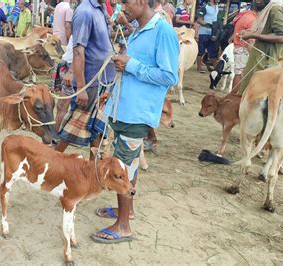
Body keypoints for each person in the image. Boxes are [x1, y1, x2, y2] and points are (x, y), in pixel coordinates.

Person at [92, 0, 179, 243]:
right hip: (124, 108)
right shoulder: (139, 29)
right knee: (129, 165)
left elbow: (169, 75)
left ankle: (123, 226)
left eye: (126, 2)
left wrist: (132, 65)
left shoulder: (163, 31)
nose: (123, 8)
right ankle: (126, 211)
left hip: (136, 114)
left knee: (123, 167)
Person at [54, 0, 115, 160]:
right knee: (74, 126)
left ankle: (92, 169)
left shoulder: (100, 9)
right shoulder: (85, 12)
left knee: (97, 129)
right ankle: (49, 161)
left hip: (103, 80)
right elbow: (78, 50)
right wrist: (81, 87)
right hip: (90, 82)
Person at [238, 0, 283, 95]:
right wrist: (250, 33)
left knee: (252, 100)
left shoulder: (276, 9)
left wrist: (253, 36)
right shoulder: (273, 8)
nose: (257, 1)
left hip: (265, 66)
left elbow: (282, 37)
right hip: (262, 63)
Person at [230, 4, 257, 92]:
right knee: (241, 74)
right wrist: (253, 54)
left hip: (239, 47)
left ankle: (233, 95)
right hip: (243, 49)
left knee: (238, 73)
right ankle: (234, 96)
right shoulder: (252, 19)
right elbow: (249, 40)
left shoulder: (244, 15)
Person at [196, 0, 218, 73]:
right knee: (201, 50)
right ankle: (199, 67)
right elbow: (199, 20)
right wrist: (207, 24)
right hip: (204, 32)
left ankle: (216, 68)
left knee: (213, 50)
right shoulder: (205, 7)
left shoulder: (217, 7)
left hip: (213, 32)